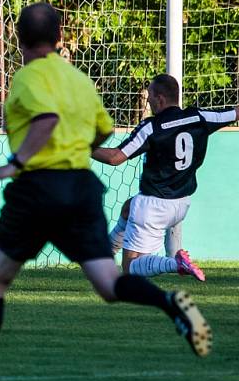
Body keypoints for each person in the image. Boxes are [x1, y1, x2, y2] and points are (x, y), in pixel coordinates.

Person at [0, 3, 212, 381]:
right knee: (109, 283)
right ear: (59, 39)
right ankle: (170, 305)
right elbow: (101, 131)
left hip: (37, 190)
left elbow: (45, 121)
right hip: (81, 190)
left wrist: (14, 164)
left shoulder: (28, 77)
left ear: (21, 41)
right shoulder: (78, 81)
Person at [93, 73, 238, 281]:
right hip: (181, 205)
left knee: (130, 268)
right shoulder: (200, 117)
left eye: (150, 95)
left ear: (160, 98)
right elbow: (235, 113)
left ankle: (174, 263)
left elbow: (115, 157)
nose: (148, 100)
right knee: (128, 207)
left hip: (153, 207)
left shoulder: (153, 127)